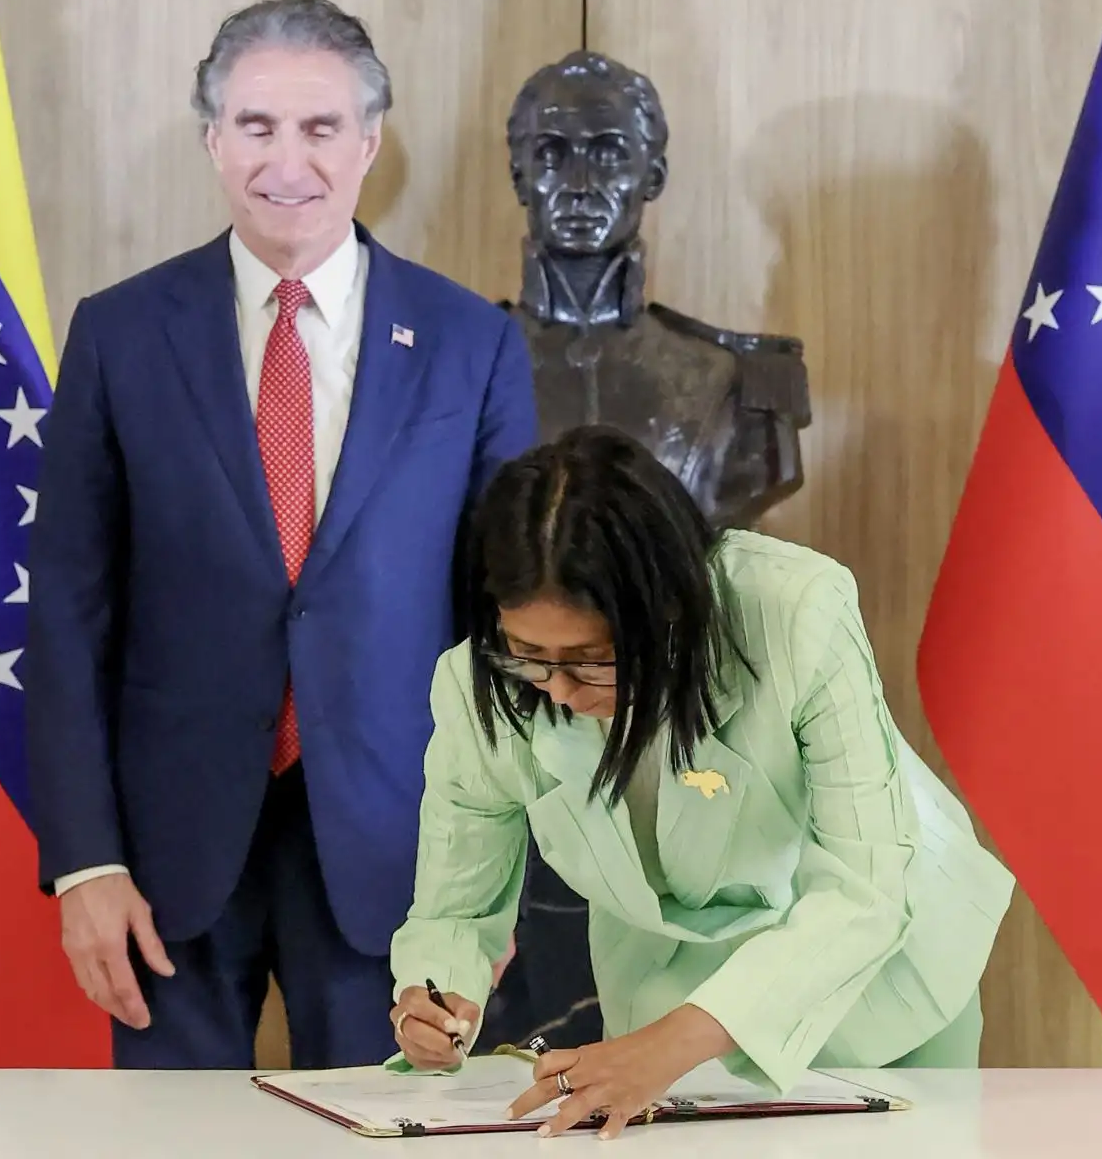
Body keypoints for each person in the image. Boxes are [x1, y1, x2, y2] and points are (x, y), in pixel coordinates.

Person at [25, 0, 538, 1070]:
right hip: (167, 853)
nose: (286, 160)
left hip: (400, 849)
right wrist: (84, 864)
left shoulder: (469, 343)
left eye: (318, 128)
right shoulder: (119, 333)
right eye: (256, 126)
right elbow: (70, 611)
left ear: (369, 141)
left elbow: (507, 627)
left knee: (390, 1136)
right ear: (212, 138)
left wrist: (486, 881)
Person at [385, 425, 1014, 1138]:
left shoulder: (796, 613)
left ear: (666, 610)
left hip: (877, 977)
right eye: (528, 654)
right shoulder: (479, 689)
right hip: (665, 993)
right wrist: (429, 998)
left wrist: (671, 1044)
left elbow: (866, 888)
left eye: (592, 659)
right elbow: (455, 907)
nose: (556, 689)